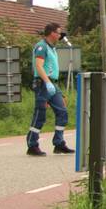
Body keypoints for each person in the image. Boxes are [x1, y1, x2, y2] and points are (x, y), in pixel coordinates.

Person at [26, 23, 73, 157]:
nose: (59, 36)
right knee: (40, 114)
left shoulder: (52, 48)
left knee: (62, 112)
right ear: (51, 33)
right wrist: (47, 83)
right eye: (58, 33)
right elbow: (39, 66)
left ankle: (59, 143)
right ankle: (32, 145)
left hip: (52, 84)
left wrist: (57, 89)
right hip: (42, 84)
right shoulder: (42, 47)